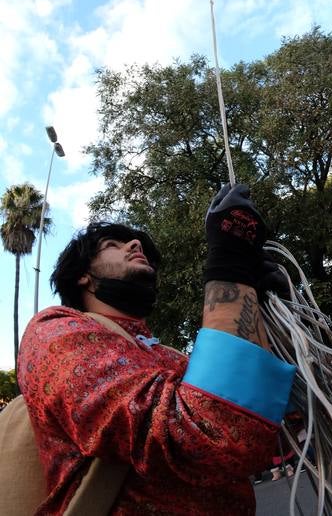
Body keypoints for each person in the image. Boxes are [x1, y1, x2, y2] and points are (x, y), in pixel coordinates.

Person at [17, 184, 296, 515]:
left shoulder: (167, 356)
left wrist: (259, 307)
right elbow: (206, 431)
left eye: (134, 242)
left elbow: (271, 430)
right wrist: (230, 266)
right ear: (82, 277)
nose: (135, 244)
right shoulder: (55, 330)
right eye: (112, 244)